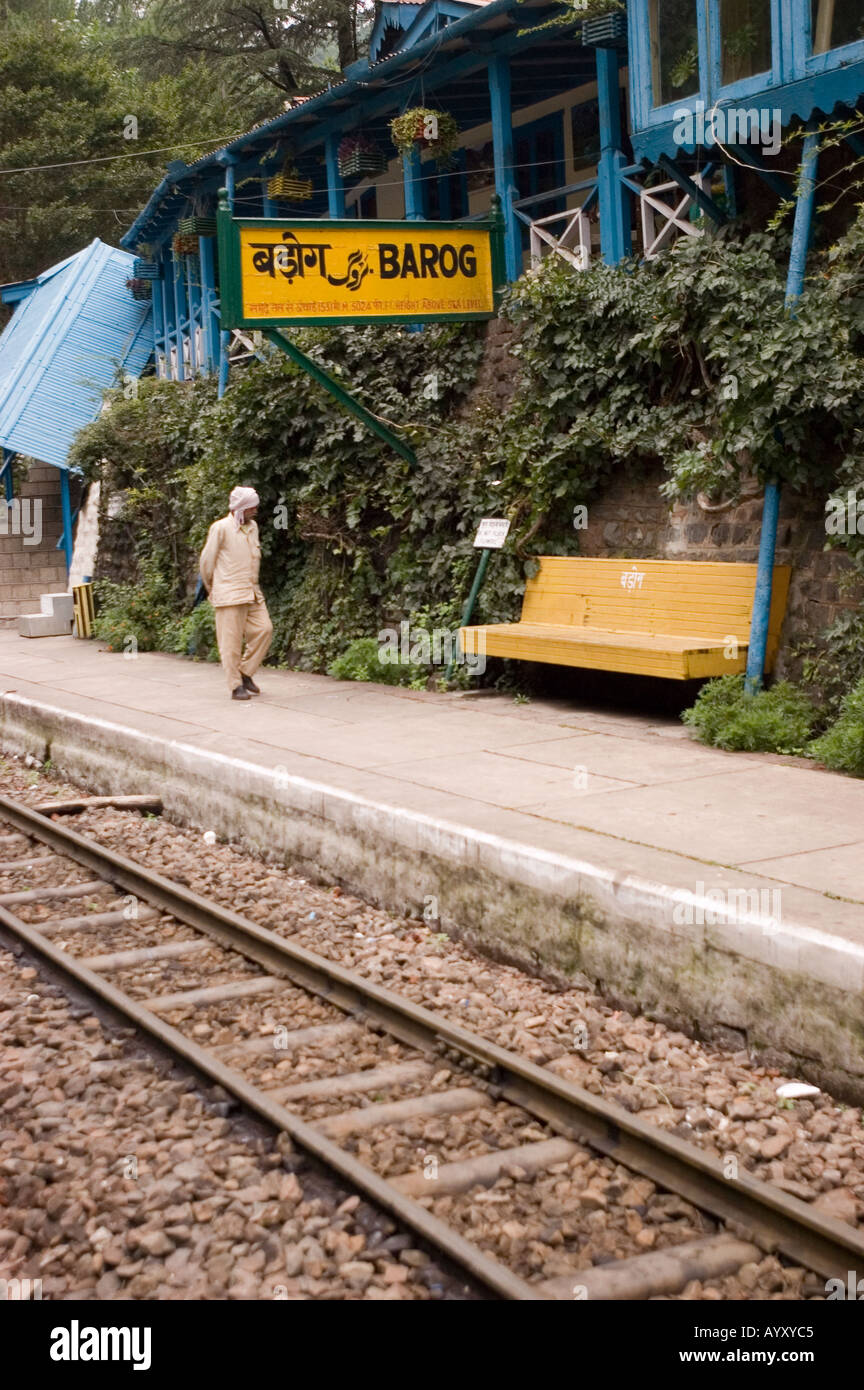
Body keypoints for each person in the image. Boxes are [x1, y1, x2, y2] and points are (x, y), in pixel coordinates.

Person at [199, 486, 273, 701]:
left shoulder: (253, 527)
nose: (255, 510)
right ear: (241, 507)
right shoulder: (220, 528)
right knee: (230, 644)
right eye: (252, 507)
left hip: (252, 592)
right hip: (229, 594)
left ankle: (245, 672)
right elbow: (206, 561)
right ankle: (235, 686)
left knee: (264, 629)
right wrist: (211, 586)